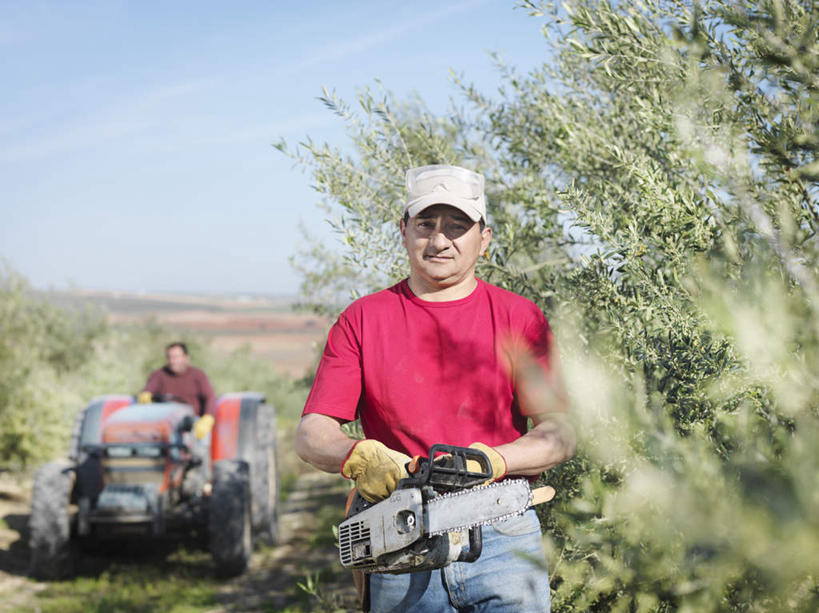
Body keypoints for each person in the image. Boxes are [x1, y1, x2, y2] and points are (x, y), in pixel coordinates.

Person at [295, 164, 576, 612]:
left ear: (484, 240)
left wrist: (496, 460)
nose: (440, 240)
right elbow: (312, 432)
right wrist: (357, 455)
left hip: (502, 530)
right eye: (426, 224)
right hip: (400, 537)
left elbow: (559, 433)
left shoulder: (519, 318)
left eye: (457, 226)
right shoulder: (363, 320)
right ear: (403, 231)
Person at [139, 342, 216, 417]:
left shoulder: (198, 375)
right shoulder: (159, 375)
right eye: (169, 357)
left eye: (176, 357)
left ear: (186, 358)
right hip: (164, 417)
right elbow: (149, 390)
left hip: (190, 421)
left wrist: (208, 417)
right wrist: (146, 395)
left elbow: (210, 398)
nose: (172, 361)